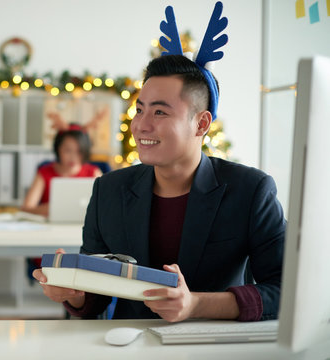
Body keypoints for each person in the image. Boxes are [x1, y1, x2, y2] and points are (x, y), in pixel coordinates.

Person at [33, 4, 285, 322]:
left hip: (216, 344)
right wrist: (74, 292)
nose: (141, 125)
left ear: (201, 124)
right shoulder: (109, 190)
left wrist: (195, 304)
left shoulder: (250, 190)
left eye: (160, 112)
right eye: (140, 110)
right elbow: (95, 298)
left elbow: (284, 288)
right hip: (128, 344)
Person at [21, 121, 102, 217]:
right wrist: (50, 208)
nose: (73, 157)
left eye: (79, 152)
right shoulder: (44, 173)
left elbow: (106, 204)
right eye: (68, 150)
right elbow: (26, 209)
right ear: (58, 149)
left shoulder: (94, 173)